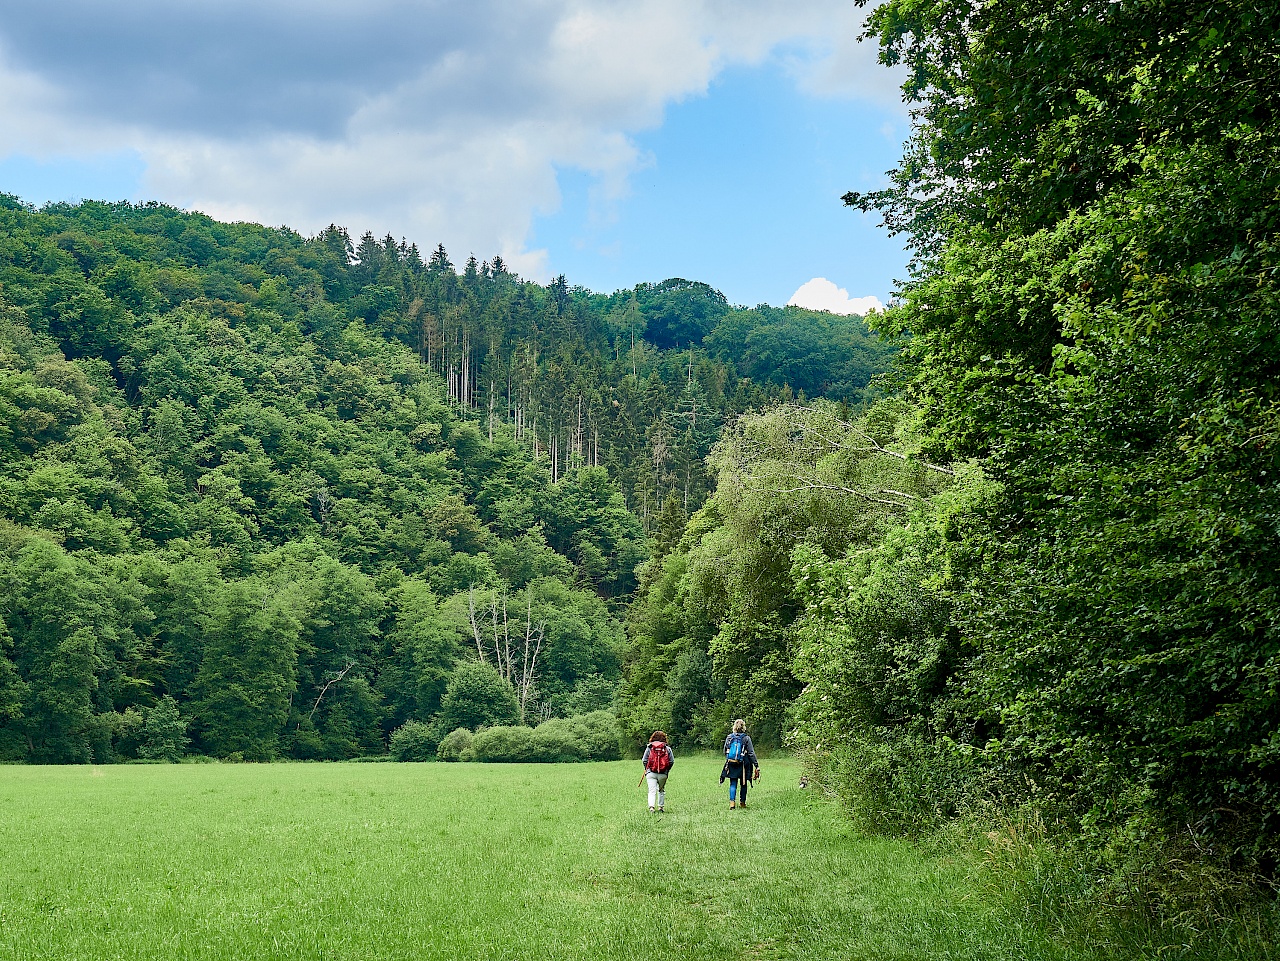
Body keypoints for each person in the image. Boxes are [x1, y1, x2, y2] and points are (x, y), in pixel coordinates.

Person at [719, 718, 759, 809]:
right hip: (743, 764)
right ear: (743, 727)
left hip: (731, 763)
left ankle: (732, 804)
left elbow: (725, 750)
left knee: (733, 783)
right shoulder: (746, 738)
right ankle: (742, 803)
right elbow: (751, 753)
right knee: (743, 784)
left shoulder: (729, 737)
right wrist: (756, 765)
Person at [640, 731, 674, 813]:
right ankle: (661, 807)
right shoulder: (666, 748)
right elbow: (671, 761)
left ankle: (651, 807)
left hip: (651, 773)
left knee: (652, 791)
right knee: (661, 790)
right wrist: (666, 770)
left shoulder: (650, 747)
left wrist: (647, 769)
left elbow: (644, 760)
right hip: (663, 774)